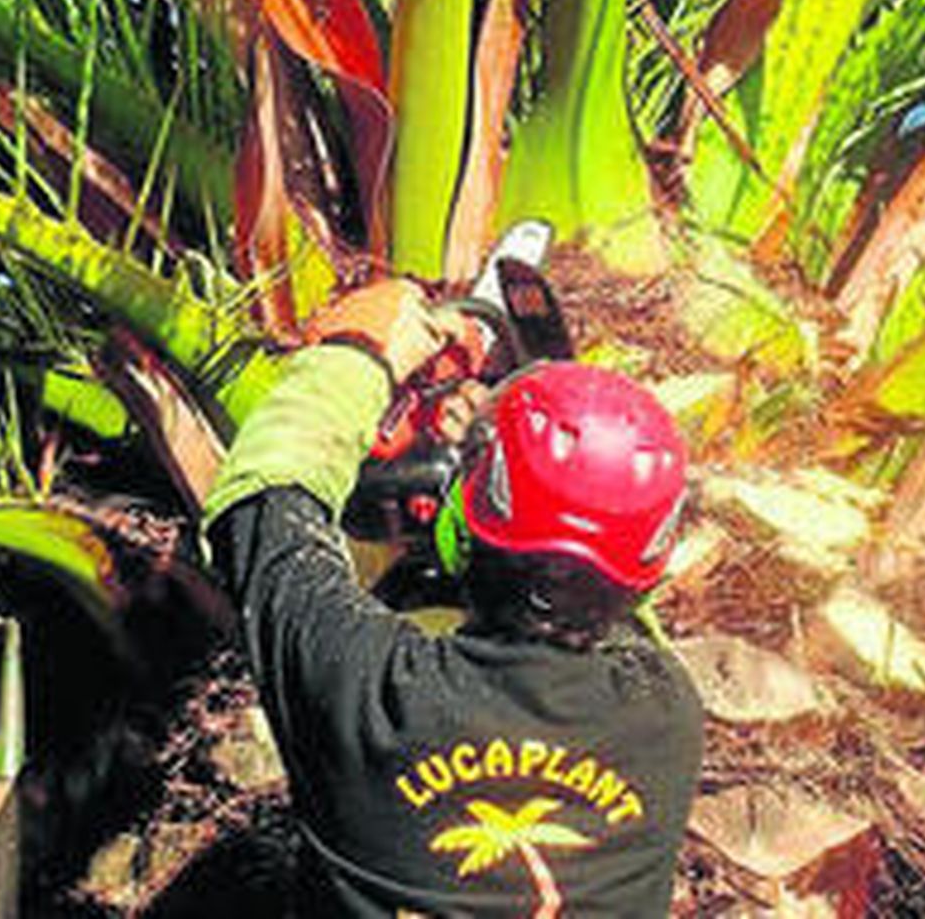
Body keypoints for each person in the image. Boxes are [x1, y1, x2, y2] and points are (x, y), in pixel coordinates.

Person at [202, 279, 704, 917]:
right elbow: (615, 594)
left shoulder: (365, 689)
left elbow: (265, 501)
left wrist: (360, 355)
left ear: (461, 523)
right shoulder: (667, 718)